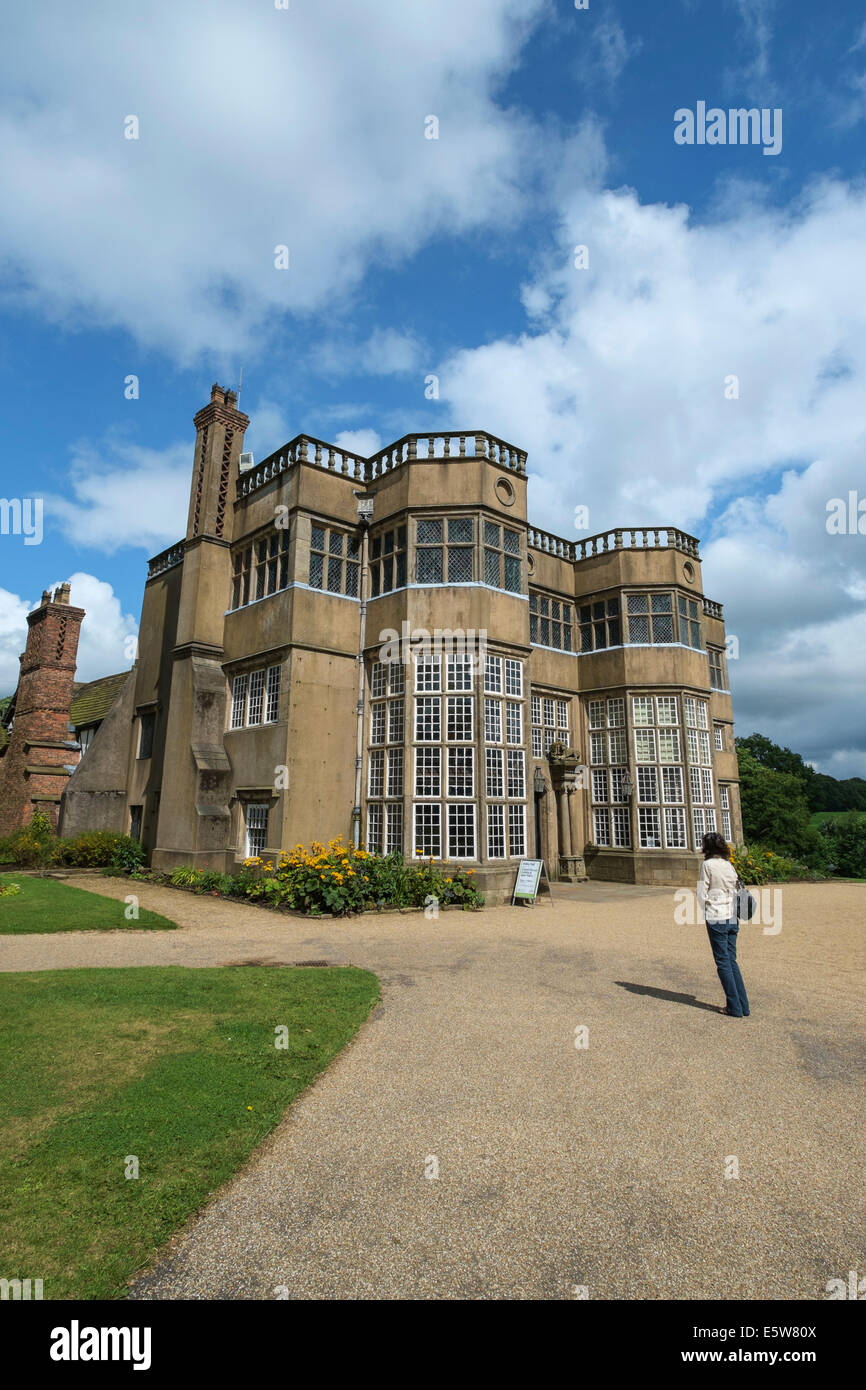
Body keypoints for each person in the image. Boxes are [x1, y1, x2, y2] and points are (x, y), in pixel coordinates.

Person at [697, 832, 750, 1017]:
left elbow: (701, 893)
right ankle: (743, 1005)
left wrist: (707, 909)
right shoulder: (728, 865)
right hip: (732, 917)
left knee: (723, 963)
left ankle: (734, 1007)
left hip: (717, 917)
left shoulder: (707, 865)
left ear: (707, 847)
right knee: (731, 960)